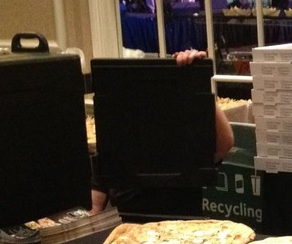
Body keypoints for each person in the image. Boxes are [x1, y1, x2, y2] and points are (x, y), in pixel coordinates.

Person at [90, 50, 235, 216]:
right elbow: (95, 207)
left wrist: (196, 81)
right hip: (128, 233)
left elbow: (226, 142)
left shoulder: (180, 139)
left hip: (182, 229)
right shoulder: (115, 141)